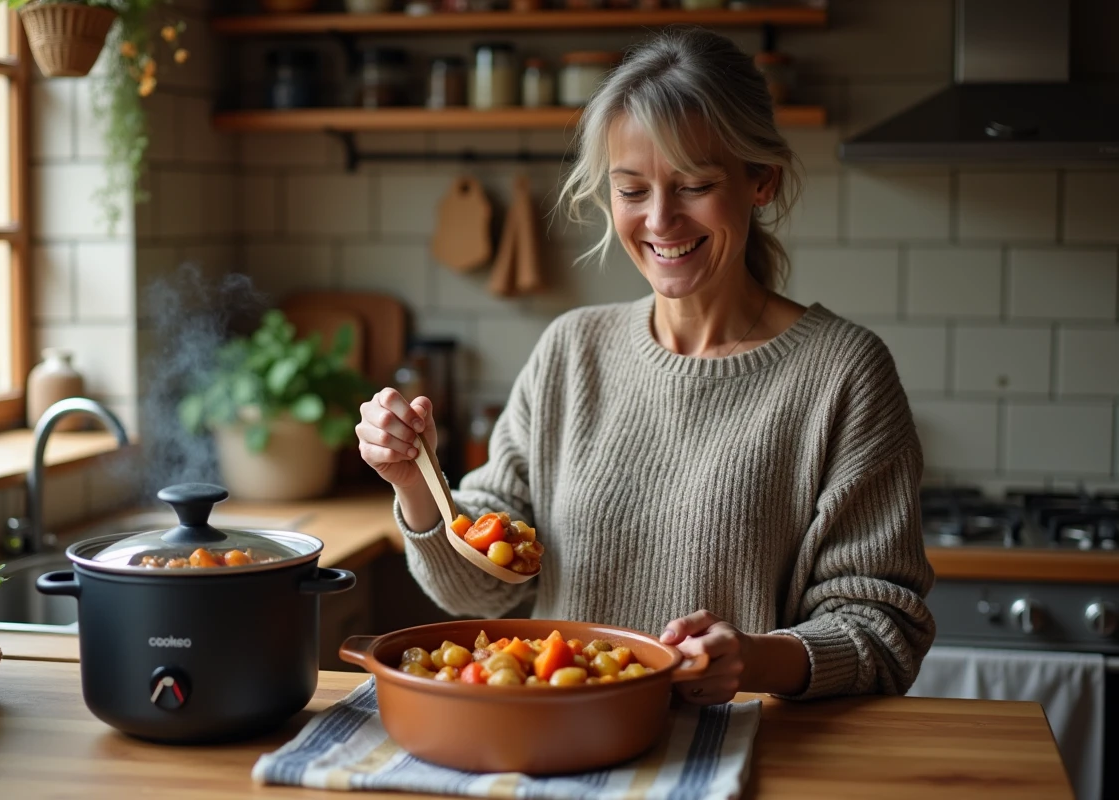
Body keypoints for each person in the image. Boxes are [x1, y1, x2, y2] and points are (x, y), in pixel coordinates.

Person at [356, 27, 935, 704]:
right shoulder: (572, 350)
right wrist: (415, 485)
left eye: (693, 185)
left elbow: (882, 631)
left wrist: (756, 660)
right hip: (561, 751)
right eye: (632, 191)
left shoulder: (844, 373)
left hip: (734, 759)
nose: (661, 220)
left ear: (761, 181)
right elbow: (478, 585)